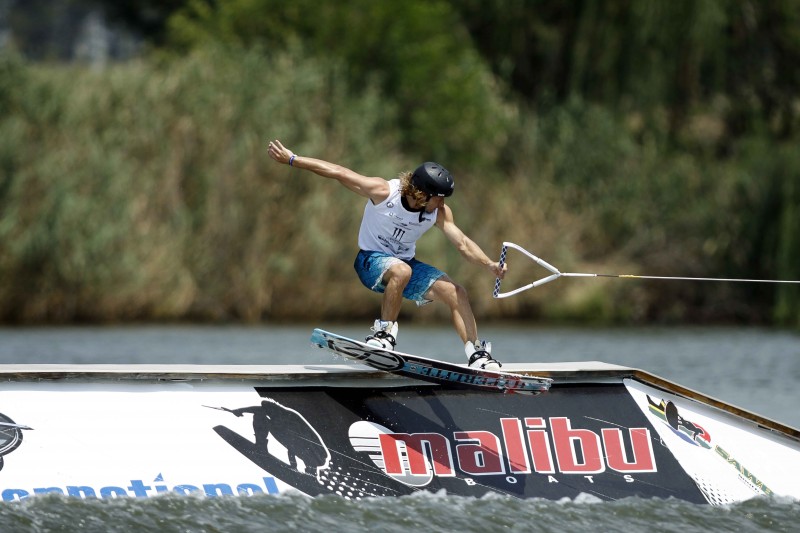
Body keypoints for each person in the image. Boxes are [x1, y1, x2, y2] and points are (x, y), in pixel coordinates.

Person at [267, 139, 507, 369]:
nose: (442, 203)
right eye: (439, 197)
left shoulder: (439, 213)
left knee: (457, 292)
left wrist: (489, 264)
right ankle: (384, 334)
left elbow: (463, 243)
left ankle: (477, 354)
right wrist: (292, 159)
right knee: (401, 270)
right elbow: (338, 171)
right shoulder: (383, 191)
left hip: (405, 265)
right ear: (422, 194)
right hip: (369, 261)